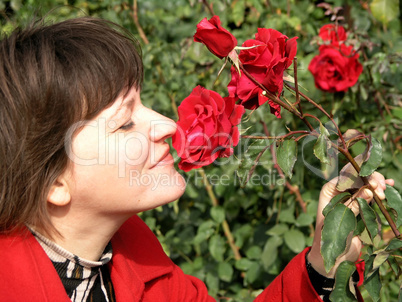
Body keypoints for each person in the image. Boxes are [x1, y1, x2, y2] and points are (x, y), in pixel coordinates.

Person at [0, 17, 394, 302]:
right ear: (54, 183)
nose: (169, 125)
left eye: (144, 104)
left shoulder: (135, 258)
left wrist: (324, 261)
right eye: (123, 124)